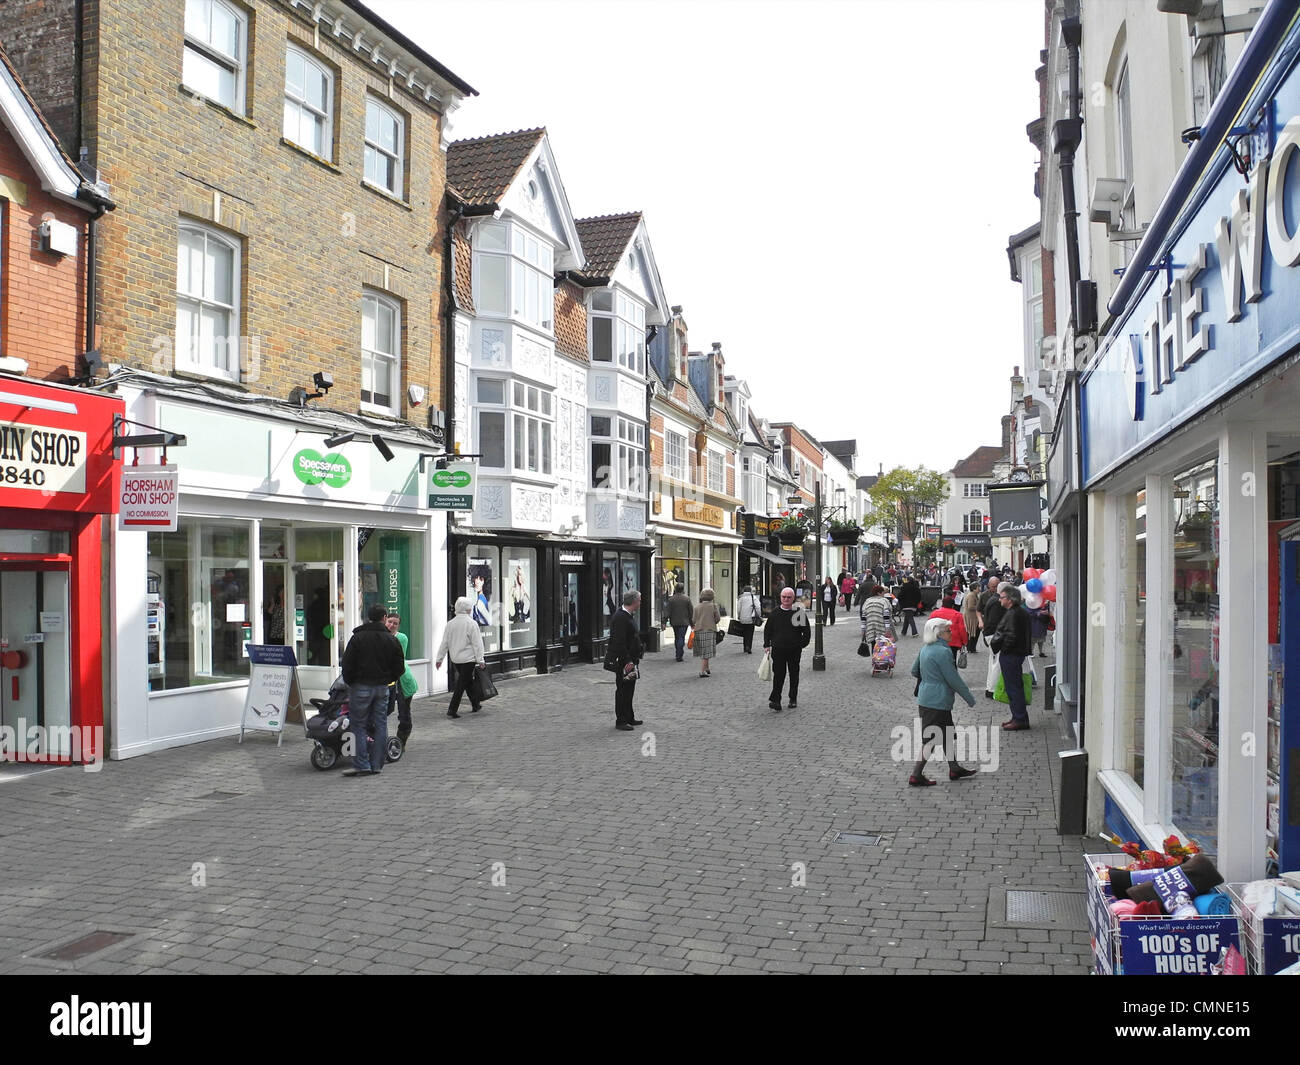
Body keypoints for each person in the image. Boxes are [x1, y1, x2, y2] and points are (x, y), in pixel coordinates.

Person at [907, 617, 977, 786]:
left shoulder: (926, 648)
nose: (951, 633)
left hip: (927, 698)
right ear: (938, 634)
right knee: (931, 738)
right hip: (937, 701)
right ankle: (916, 775)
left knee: (945, 734)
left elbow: (914, 670)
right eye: (948, 631)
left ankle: (954, 768)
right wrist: (969, 698)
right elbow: (953, 679)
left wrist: (929, 676)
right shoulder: (943, 652)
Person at [340, 603, 404, 777]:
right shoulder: (392, 639)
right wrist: (387, 679)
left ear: (368, 617)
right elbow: (399, 667)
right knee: (381, 724)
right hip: (382, 687)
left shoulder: (358, 638)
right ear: (384, 618)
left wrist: (351, 681)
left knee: (358, 725)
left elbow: (347, 664)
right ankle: (377, 764)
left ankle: (362, 764)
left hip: (360, 686)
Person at [435, 596, 488, 718]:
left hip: (456, 659)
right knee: (461, 684)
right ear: (468, 609)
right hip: (468, 659)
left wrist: (440, 658)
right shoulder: (471, 623)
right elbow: (477, 644)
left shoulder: (450, 624)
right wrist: (481, 659)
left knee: (467, 681)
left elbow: (445, 643)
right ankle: (452, 709)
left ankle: (475, 704)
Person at [991, 583, 1033, 730]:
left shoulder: (1014, 614)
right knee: (1014, 687)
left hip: (1012, 654)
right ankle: (1017, 716)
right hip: (1015, 653)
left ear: (1009, 599)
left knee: (1013, 687)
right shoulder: (1018, 612)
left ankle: (1020, 719)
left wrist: (1004, 649)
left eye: (1002, 597)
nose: (999, 600)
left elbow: (1011, 636)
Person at [763, 586, 810, 711]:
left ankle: (792, 698)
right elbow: (768, 630)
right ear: (780, 598)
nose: (786, 599)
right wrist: (766, 644)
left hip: (794, 650)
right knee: (779, 674)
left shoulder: (798, 613)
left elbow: (806, 632)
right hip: (778, 649)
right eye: (784, 597)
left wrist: (801, 645)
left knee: (794, 674)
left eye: (789, 597)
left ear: (793, 598)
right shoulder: (775, 613)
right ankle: (776, 700)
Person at [609, 589, 643, 731]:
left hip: (631, 659)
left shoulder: (628, 615)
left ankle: (629, 716)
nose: (641, 602)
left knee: (630, 689)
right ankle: (621, 720)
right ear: (634, 602)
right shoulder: (621, 617)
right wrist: (628, 660)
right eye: (640, 600)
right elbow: (619, 642)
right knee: (623, 690)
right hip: (624, 661)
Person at [385, 610, 419, 747]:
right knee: (384, 712)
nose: (392, 625)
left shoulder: (402, 638)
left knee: (404, 715)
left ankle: (400, 743)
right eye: (390, 622)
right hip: (386, 681)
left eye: (395, 623)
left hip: (403, 680)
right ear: (385, 621)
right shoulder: (379, 636)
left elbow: (397, 659)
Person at [978, 575, 1006, 698]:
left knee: (994, 662)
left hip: (991, 634)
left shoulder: (993, 599)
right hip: (994, 635)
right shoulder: (995, 601)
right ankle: (992, 689)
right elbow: (994, 621)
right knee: (997, 663)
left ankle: (991, 687)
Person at [692, 588, 722, 677]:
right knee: (707, 651)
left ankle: (707, 667)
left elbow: (693, 620)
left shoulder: (696, 607)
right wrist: (713, 622)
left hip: (698, 629)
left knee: (703, 650)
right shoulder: (713, 606)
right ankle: (702, 671)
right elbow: (718, 618)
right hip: (709, 629)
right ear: (712, 597)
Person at [929, 597, 968, 662]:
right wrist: (964, 642)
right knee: (952, 661)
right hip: (953, 642)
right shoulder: (958, 615)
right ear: (953, 605)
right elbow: (962, 629)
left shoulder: (934, 613)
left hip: (937, 641)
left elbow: (930, 627)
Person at [858, 584, 893, 654]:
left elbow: (863, 617)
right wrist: (888, 629)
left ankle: (875, 661)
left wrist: (863, 630)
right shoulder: (884, 601)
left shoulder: (867, 601)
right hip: (882, 629)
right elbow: (886, 616)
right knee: (883, 649)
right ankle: (881, 662)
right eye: (883, 593)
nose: (884, 594)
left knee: (874, 646)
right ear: (879, 593)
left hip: (870, 629)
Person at [666, 584, 694, 663]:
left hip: (674, 622)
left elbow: (667, 611)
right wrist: (692, 623)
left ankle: (678, 652)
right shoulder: (687, 599)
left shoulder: (671, 599)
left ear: (675, 589)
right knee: (681, 637)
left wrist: (664, 621)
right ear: (682, 589)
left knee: (677, 637)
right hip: (684, 622)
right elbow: (691, 612)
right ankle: (679, 654)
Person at [736, 584, 762, 653]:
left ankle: (745, 647)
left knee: (744, 633)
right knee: (750, 633)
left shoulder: (741, 598)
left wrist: (739, 615)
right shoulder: (753, 598)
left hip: (743, 619)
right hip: (751, 619)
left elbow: (738, 609)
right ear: (750, 591)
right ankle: (749, 646)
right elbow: (758, 607)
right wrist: (759, 615)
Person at [960, 581, 982, 654]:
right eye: (978, 587)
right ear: (974, 589)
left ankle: (972, 648)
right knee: (972, 633)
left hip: (974, 617)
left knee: (974, 633)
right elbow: (970, 607)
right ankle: (970, 648)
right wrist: (979, 608)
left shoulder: (975, 595)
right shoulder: (971, 595)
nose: (979, 589)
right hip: (971, 617)